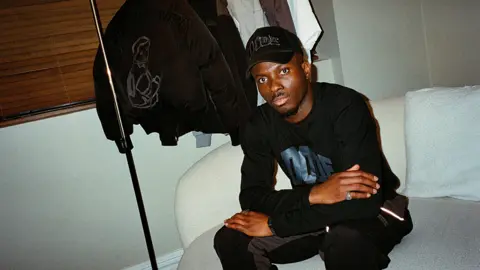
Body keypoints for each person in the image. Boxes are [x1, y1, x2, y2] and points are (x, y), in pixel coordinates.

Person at [213, 26, 413, 270]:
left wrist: (276, 225)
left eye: (283, 70)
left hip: (376, 208)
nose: (274, 87)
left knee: (344, 240)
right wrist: (314, 194)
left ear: (306, 69)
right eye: (262, 79)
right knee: (230, 238)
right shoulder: (258, 125)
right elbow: (251, 197)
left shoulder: (345, 107)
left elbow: (364, 202)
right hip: (313, 211)